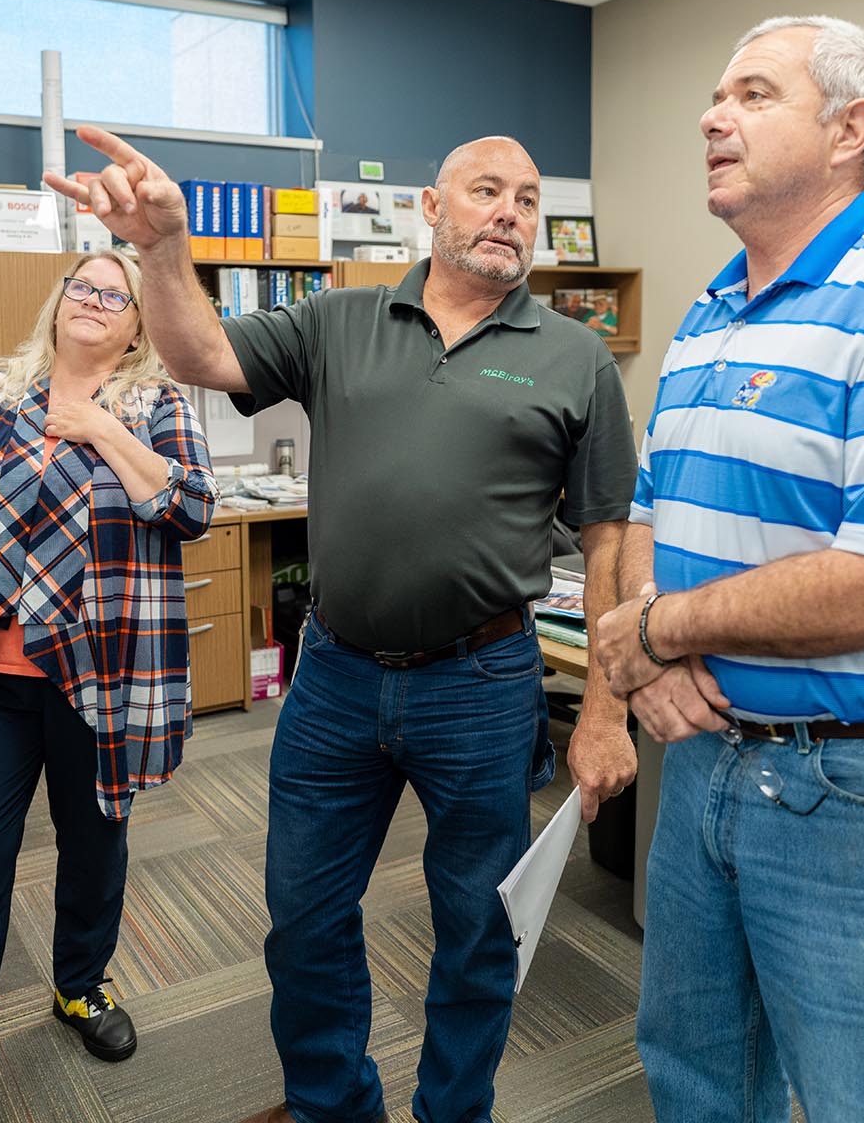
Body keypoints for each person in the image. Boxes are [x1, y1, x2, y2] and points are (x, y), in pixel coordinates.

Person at [47, 130, 639, 1123]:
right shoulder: (341, 320)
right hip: (337, 679)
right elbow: (202, 354)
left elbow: (610, 537)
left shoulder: (577, 357)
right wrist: (160, 247)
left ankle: (455, 1112)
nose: (510, 211)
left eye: (529, 199)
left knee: (478, 927)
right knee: (306, 919)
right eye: (487, 190)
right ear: (430, 208)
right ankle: (335, 1106)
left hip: (484, 681)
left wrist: (606, 710)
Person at [589, 16, 864, 1122]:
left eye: (752, 93)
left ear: (850, 130)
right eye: (715, 93)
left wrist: (656, 634)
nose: (709, 116)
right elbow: (651, 510)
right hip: (708, 761)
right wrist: (658, 647)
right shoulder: (707, 311)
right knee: (694, 1077)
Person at [0, 250, 218, 1123]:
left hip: (105, 679)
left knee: (96, 837)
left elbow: (189, 509)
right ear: (60, 299)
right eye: (85, 286)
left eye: (119, 295)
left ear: (140, 323)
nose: (97, 302)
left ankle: (80, 987)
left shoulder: (156, 403)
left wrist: (99, 428)